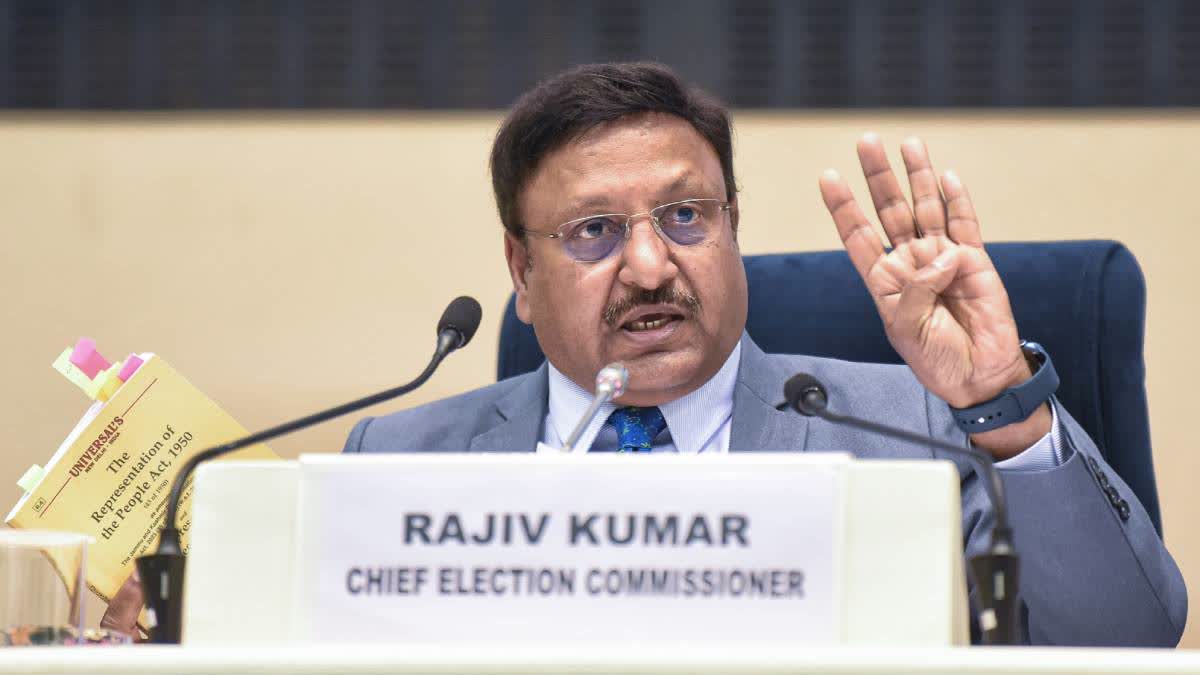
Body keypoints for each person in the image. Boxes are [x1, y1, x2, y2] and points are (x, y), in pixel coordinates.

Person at [103, 62, 1186, 646]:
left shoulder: (911, 423)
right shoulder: (402, 450)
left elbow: (1130, 638)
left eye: (685, 217)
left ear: (733, 229)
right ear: (519, 273)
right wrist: (174, 627)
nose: (651, 267)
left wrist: (1002, 401)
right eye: (592, 234)